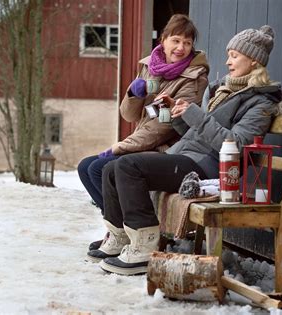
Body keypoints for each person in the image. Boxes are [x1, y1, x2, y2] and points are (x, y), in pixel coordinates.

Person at [87, 25, 282, 275]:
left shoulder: (261, 102)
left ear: (253, 61)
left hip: (206, 168)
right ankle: (121, 237)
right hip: (186, 156)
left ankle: (144, 248)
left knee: (126, 166)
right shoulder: (225, 90)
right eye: (229, 54)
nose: (228, 61)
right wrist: (177, 113)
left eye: (234, 56)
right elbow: (198, 132)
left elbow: (235, 145)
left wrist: (194, 114)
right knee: (111, 168)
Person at [78, 14, 209, 251]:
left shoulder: (194, 77)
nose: (181, 48)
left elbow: (162, 128)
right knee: (85, 167)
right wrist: (133, 95)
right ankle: (118, 230)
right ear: (164, 39)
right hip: (142, 144)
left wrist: (120, 147)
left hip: (166, 149)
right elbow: (128, 115)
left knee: (99, 168)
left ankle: (127, 231)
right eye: (176, 41)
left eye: (187, 43)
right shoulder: (150, 67)